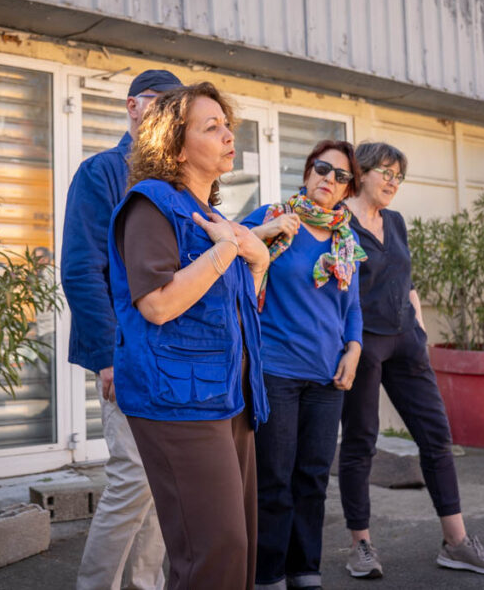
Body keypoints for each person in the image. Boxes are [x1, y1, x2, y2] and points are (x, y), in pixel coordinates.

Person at [108, 82, 271, 590]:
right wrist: (226, 251)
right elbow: (157, 304)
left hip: (229, 395)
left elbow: (236, 309)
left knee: (237, 549)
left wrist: (258, 261)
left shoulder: (216, 217)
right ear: (175, 147)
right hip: (178, 398)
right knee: (212, 554)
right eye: (212, 126)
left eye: (227, 124)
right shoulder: (151, 205)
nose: (228, 135)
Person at [338, 141, 484, 578]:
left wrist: (418, 321)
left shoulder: (394, 222)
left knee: (436, 437)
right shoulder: (339, 224)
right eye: (386, 172)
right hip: (364, 343)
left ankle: (456, 542)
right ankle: (361, 546)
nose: (393, 182)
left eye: (399, 176)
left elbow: (406, 277)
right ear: (362, 172)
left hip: (407, 342)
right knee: (360, 442)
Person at [62, 68, 182, 590]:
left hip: (175, 352)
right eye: (157, 103)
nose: (167, 116)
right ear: (132, 107)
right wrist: (108, 356)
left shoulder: (177, 181)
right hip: (126, 351)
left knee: (162, 484)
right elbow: (81, 270)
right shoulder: (102, 173)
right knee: (133, 479)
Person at [242, 140, 365, 590]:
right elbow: (227, 242)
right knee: (273, 479)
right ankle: (268, 575)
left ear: (348, 189)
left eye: (340, 176)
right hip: (276, 370)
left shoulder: (345, 240)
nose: (328, 179)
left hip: (327, 377)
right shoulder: (277, 217)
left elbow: (351, 306)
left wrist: (354, 349)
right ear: (307, 171)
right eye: (322, 168)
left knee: (312, 478)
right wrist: (268, 228)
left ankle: (305, 571)